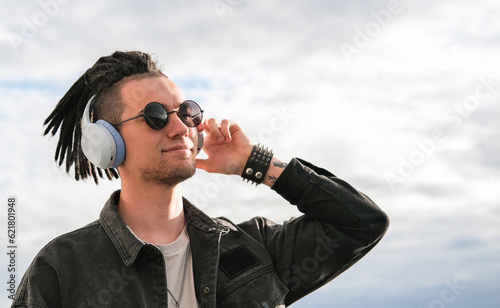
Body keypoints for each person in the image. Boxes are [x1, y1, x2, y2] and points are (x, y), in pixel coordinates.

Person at [12, 51, 389, 308]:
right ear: (106, 144)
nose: (180, 127)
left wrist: (254, 163)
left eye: (187, 112)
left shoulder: (253, 248)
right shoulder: (62, 268)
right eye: (156, 116)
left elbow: (361, 224)